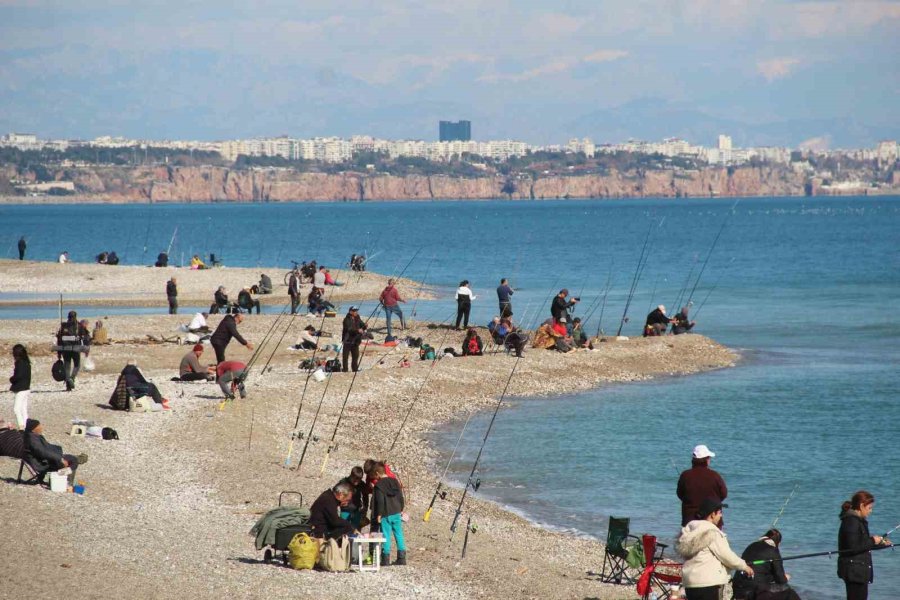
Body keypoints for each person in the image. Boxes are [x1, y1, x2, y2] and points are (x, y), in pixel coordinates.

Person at [676, 498, 754, 600]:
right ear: (712, 514)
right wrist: (745, 566)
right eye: (720, 512)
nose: (721, 515)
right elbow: (727, 556)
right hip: (709, 583)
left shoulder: (690, 531)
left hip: (690, 583)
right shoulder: (712, 532)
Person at [838, 490, 892, 600]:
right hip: (854, 571)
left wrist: (881, 543)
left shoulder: (858, 521)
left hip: (858, 571)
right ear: (862, 506)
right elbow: (853, 547)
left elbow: (861, 543)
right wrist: (873, 540)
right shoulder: (851, 521)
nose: (871, 511)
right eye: (869, 508)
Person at [733, 529, 801, 600]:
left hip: (737, 587)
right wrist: (785, 577)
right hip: (754, 591)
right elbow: (781, 580)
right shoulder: (774, 551)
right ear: (778, 543)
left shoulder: (751, 545)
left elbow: (761, 572)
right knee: (789, 592)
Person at [678, 444, 728, 528]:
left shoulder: (685, 475)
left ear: (693, 460)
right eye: (709, 458)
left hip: (690, 521)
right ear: (707, 460)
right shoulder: (715, 476)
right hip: (712, 521)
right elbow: (724, 494)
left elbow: (680, 494)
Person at [23, 419, 86, 485]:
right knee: (73, 460)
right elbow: (43, 453)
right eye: (39, 426)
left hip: (43, 460)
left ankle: (61, 478)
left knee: (71, 458)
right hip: (43, 463)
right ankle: (62, 480)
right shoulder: (33, 440)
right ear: (33, 429)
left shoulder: (32, 436)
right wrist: (60, 459)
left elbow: (46, 449)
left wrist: (59, 454)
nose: (41, 427)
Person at [372, 463, 407, 566]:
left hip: (386, 513)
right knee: (398, 534)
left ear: (377, 473)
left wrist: (379, 514)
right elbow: (401, 497)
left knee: (386, 535)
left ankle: (385, 559)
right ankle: (402, 558)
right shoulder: (395, 481)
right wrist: (401, 508)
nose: (375, 478)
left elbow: (380, 501)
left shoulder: (379, 485)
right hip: (396, 511)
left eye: (375, 476)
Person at [56, 311, 90, 391]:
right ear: (75, 317)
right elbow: (86, 337)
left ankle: (68, 384)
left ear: (68, 317)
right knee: (77, 366)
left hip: (66, 349)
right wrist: (86, 348)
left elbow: (59, 340)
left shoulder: (63, 326)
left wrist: (59, 352)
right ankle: (72, 378)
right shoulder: (79, 326)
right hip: (76, 349)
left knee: (67, 366)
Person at [9, 344, 31, 429]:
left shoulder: (19, 363)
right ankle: (27, 426)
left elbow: (18, 376)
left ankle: (22, 427)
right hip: (26, 388)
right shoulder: (27, 362)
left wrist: (11, 379)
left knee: (17, 409)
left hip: (21, 389)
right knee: (23, 409)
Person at [341, 306, 366, 372]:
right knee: (345, 357)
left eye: (357, 311)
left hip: (356, 340)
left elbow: (362, 326)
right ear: (350, 312)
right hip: (347, 340)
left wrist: (365, 326)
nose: (356, 312)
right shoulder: (346, 320)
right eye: (355, 311)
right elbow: (349, 329)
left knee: (355, 356)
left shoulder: (358, 318)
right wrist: (358, 330)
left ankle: (355, 369)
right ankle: (345, 370)